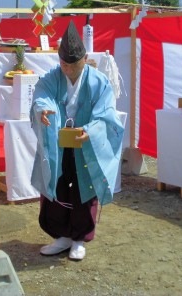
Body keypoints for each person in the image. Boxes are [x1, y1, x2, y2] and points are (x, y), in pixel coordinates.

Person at [30, 20, 124, 261]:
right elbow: (42, 95)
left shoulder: (98, 81)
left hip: (85, 143)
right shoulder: (52, 77)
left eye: (72, 64)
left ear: (84, 59)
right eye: (63, 64)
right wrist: (43, 110)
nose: (68, 69)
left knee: (84, 189)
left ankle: (79, 239)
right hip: (58, 143)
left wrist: (91, 131)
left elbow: (106, 113)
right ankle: (61, 236)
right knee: (57, 185)